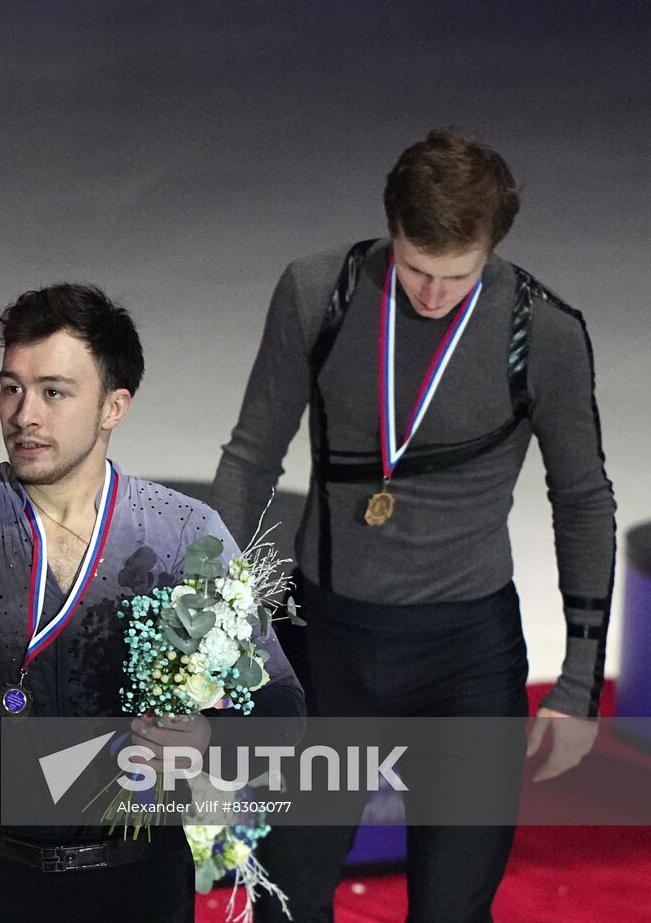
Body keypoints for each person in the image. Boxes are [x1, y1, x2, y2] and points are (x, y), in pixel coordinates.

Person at [0, 101, 305, 923]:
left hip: (138, 882)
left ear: (114, 405)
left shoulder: (182, 534)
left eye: (54, 392)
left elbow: (282, 708)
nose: (24, 413)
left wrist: (213, 743)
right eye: (12, 387)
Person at [208, 126, 616, 922]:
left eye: (457, 276)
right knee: (284, 900)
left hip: (466, 659)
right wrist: (216, 629)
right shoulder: (318, 292)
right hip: (326, 647)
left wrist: (578, 683)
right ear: (391, 227)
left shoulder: (546, 334)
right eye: (416, 267)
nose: (431, 294)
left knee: (451, 910)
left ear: (493, 247)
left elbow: (584, 500)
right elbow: (251, 459)